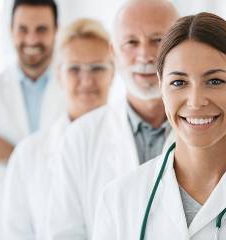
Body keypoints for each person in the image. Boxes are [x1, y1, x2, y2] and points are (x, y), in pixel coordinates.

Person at [92, 12, 226, 240]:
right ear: (162, 88)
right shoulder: (118, 201)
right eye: (179, 82)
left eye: (214, 81)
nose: (196, 101)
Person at [46, 1, 179, 239]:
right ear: (113, 53)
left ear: (180, 47)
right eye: (131, 42)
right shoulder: (81, 136)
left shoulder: (219, 131)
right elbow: (65, 233)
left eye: (158, 40)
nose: (145, 55)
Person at [2, 18, 114, 240]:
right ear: (59, 75)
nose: (86, 80)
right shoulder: (28, 155)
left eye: (97, 68)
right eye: (74, 69)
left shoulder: (134, 142)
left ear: (113, 72)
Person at [0, 0, 64, 239]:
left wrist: (11, 153)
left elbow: (73, 167)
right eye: (23, 29)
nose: (31, 40)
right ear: (11, 30)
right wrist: (44, 160)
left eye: (41, 29)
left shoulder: (72, 89)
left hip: (57, 223)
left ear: (56, 31)